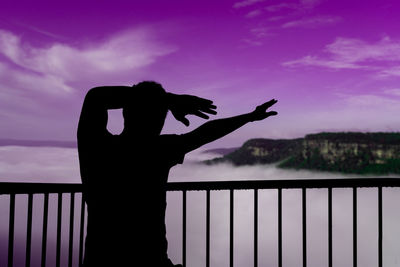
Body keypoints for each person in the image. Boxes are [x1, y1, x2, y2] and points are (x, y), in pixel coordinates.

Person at [77, 81, 277, 266]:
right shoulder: (160, 150)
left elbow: (95, 97)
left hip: (100, 260)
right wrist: (249, 117)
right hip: (151, 260)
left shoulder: (97, 147)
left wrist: (168, 99)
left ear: (125, 113)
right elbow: (207, 132)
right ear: (161, 120)